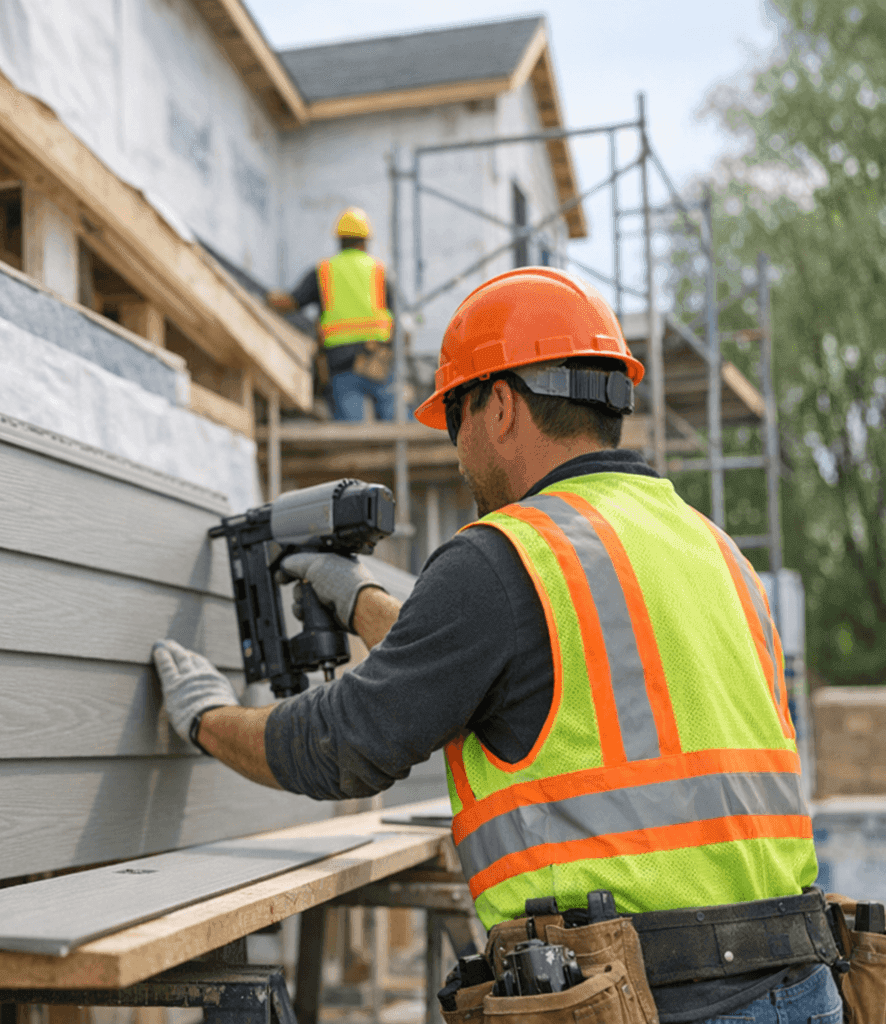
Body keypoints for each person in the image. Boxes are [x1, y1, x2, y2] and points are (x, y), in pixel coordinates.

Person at [155, 267, 841, 1023]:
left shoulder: (505, 553)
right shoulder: (711, 547)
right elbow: (529, 668)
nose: (455, 449)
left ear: (502, 405)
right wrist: (362, 602)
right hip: (802, 987)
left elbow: (344, 742)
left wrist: (206, 718)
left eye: (455, 416)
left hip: (649, 1000)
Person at [269, 207, 396, 422]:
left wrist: (267, 298)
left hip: (341, 361)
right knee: (394, 428)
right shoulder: (380, 271)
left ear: (339, 240)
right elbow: (397, 319)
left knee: (350, 433)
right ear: (366, 241)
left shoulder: (324, 270)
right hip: (378, 358)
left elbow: (292, 302)